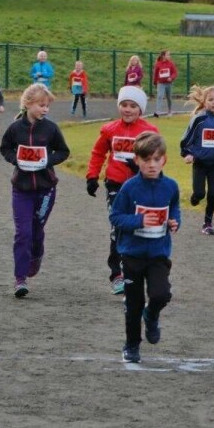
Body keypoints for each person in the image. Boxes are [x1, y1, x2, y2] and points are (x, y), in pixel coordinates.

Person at [109, 132, 181, 364]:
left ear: (164, 160)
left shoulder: (170, 186)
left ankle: (151, 315)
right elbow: (116, 217)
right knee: (133, 304)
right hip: (132, 254)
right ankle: (131, 345)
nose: (152, 165)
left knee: (161, 294)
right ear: (137, 160)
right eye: (147, 160)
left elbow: (175, 208)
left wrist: (174, 221)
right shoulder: (130, 188)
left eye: (156, 159)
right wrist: (139, 221)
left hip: (158, 253)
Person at [85, 86, 159, 295]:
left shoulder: (149, 132)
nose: (127, 109)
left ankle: (137, 271)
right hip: (116, 185)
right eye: (124, 105)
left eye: (132, 106)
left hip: (141, 185)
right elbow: (98, 152)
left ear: (140, 109)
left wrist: (143, 168)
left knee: (137, 228)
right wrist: (92, 176)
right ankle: (116, 274)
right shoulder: (109, 130)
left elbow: (160, 157)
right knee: (118, 227)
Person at [0, 84, 70, 298]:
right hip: (21, 190)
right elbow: (5, 148)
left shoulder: (50, 129)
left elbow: (64, 151)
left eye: (47, 106)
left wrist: (46, 160)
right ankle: (20, 279)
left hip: (45, 190)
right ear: (28, 104)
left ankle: (36, 254)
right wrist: (17, 160)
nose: (45, 109)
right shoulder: (15, 129)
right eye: (41, 105)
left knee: (36, 232)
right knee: (23, 233)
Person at [179, 85, 214, 235]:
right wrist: (187, 154)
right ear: (204, 101)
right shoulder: (198, 120)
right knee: (200, 193)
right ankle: (195, 197)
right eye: (210, 99)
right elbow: (186, 139)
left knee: (213, 195)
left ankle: (207, 223)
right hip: (200, 164)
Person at [151, 50, 178, 117]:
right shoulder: (158, 64)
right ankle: (158, 111)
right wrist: (155, 82)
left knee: (169, 97)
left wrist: (171, 78)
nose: (169, 56)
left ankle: (170, 111)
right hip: (161, 83)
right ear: (163, 56)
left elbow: (175, 73)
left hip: (169, 84)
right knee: (160, 96)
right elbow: (156, 74)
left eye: (169, 55)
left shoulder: (171, 63)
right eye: (168, 55)